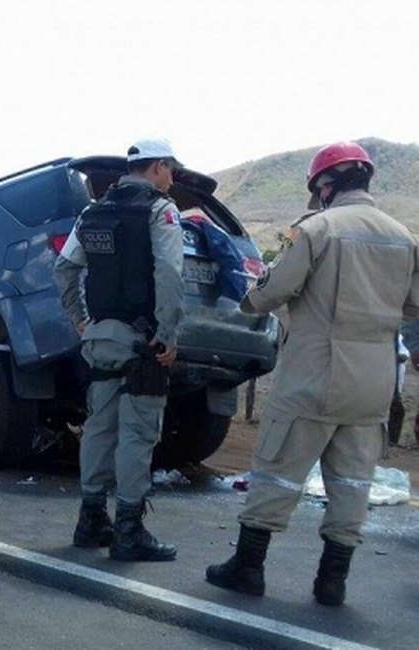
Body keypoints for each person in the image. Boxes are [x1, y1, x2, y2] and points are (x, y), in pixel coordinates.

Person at [205, 141, 419, 606]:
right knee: (352, 481)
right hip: (374, 383)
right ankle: (331, 582)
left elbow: (270, 292)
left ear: (326, 184)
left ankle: (247, 568)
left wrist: (248, 296)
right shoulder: (403, 238)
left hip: (315, 375)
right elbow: (414, 305)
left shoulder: (315, 230)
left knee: (278, 470)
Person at [53, 139, 185, 562]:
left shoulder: (93, 212)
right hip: (143, 341)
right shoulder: (160, 210)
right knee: (137, 432)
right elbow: (168, 273)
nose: (173, 180)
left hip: (100, 338)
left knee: (99, 427)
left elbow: (64, 268)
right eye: (171, 171)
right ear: (158, 167)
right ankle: (128, 530)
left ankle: (90, 520)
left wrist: (80, 319)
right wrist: (167, 333)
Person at [388, 331, 408, 446]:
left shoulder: (398, 337)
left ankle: (392, 440)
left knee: (396, 409)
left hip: (394, 382)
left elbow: (404, 355)